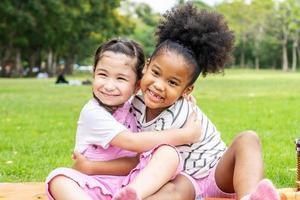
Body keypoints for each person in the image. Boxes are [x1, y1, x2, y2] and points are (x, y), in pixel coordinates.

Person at [75, 3, 280, 200]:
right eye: (155, 73)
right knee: (171, 191)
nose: (158, 86)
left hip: (217, 171)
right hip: (184, 179)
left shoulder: (182, 113)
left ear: (186, 90)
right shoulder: (135, 102)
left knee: (248, 138)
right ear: (146, 67)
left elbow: (139, 146)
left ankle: (250, 196)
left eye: (172, 83)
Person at [45, 38, 201, 200]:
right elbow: (131, 142)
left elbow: (135, 162)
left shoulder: (136, 105)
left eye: (121, 79)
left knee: (169, 153)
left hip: (135, 183)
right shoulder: (93, 113)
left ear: (137, 85)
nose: (109, 85)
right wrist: (186, 134)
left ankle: (133, 195)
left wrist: (184, 97)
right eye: (103, 75)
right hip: (94, 183)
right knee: (59, 179)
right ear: (94, 73)